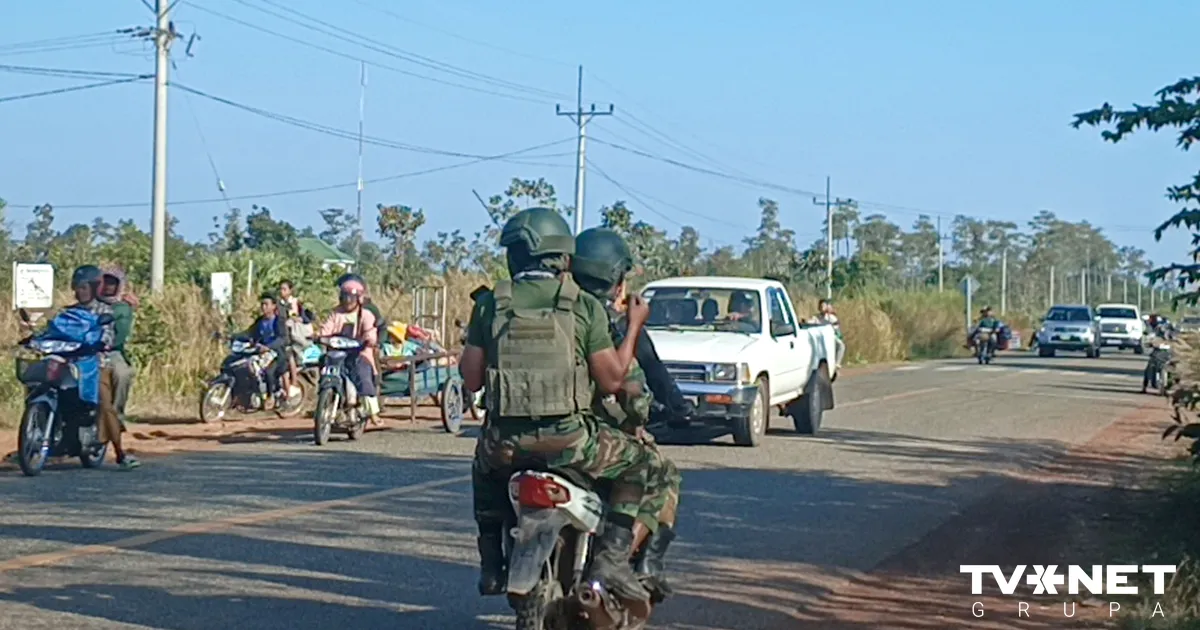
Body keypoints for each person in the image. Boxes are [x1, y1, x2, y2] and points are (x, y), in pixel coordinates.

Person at [461, 206, 656, 603]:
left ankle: (491, 563)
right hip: (570, 443)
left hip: (506, 444)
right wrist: (635, 324)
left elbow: (470, 378)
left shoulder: (490, 304)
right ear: (563, 257)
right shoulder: (580, 304)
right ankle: (612, 562)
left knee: (483, 467)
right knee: (641, 464)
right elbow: (613, 379)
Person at [571, 226, 685, 601]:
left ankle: (493, 556)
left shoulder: (547, 314)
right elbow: (633, 389)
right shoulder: (614, 327)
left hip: (526, 441)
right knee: (661, 474)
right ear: (617, 282)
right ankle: (637, 564)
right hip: (592, 441)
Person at [70, 265, 140, 470]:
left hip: (97, 360)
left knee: (106, 399)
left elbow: (112, 336)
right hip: (70, 358)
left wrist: (100, 343)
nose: (80, 292)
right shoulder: (72, 310)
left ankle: (119, 450)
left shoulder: (111, 310)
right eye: (78, 288)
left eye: (85, 288)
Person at [317, 277, 382, 426]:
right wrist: (319, 335)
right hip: (337, 352)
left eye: (351, 297)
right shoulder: (335, 313)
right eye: (345, 297)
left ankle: (373, 412)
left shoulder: (365, 314)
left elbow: (370, 331)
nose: (347, 301)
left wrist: (368, 339)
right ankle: (326, 397)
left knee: (362, 375)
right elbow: (326, 328)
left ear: (358, 298)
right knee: (324, 364)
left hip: (359, 352)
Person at [99, 267, 136, 424]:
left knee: (123, 374)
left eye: (112, 283)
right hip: (81, 350)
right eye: (104, 282)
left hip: (110, 351)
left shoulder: (122, 308)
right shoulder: (88, 302)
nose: (107, 286)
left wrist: (105, 345)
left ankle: (117, 416)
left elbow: (120, 335)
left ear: (119, 286)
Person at [245, 293, 290, 407]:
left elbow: (283, 339)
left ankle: (271, 395)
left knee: (269, 372)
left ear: (274, 306)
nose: (263, 307)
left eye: (266, 304)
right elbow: (249, 333)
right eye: (262, 304)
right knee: (249, 365)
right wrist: (233, 337)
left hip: (277, 354)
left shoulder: (279, 321)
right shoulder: (259, 321)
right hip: (262, 353)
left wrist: (269, 346)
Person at [278, 280, 314, 393]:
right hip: (281, 334)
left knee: (288, 356)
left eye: (284, 289)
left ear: (290, 290)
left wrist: (295, 318)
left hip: (292, 336)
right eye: (280, 289)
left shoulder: (295, 303)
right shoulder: (278, 304)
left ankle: (293, 382)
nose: (282, 291)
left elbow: (306, 318)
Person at [816, 299, 845, 368]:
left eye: (823, 306)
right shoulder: (817, 317)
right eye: (820, 306)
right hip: (819, 337)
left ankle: (837, 363)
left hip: (830, 336)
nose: (822, 307)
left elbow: (836, 326)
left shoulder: (831, 317)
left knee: (841, 345)